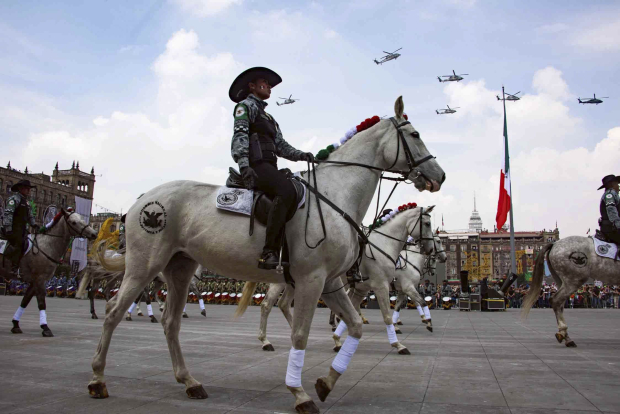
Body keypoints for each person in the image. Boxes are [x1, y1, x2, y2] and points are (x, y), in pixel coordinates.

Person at [229, 67, 313, 270]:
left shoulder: (270, 119)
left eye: (269, 84)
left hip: (270, 166)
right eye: (265, 83)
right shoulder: (245, 106)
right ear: (252, 86)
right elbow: (239, 136)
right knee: (285, 190)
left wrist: (302, 155)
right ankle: (268, 252)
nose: (269, 87)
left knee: (296, 187)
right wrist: (244, 166)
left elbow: (281, 146)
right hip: (256, 166)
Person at [1, 180, 44, 278]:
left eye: (29, 188)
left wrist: (34, 225)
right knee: (19, 243)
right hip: (13, 229)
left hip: (22, 230)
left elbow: (30, 216)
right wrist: (8, 229)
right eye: (27, 188)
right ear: (20, 189)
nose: (29, 190)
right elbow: (8, 214)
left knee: (30, 244)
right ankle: (13, 267)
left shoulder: (27, 203)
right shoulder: (14, 199)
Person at [598, 174, 620, 244]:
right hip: (610, 228)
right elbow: (611, 209)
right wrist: (617, 225)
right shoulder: (610, 194)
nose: (618, 186)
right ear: (612, 184)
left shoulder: (611, 194)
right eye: (617, 184)